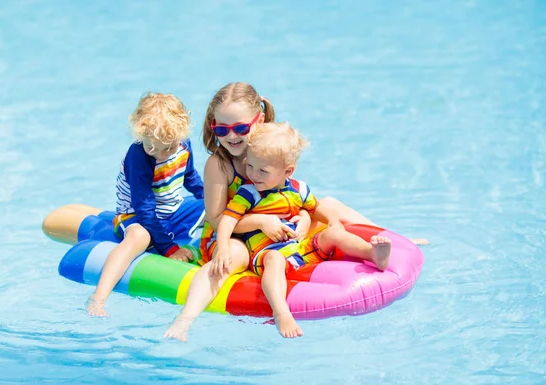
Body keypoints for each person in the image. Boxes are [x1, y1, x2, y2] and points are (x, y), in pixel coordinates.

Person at [164, 82, 426, 341]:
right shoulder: (220, 165)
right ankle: (185, 320)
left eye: (241, 128)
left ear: (261, 119)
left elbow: (291, 194)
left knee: (330, 204)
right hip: (234, 234)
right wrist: (261, 221)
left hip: (275, 231)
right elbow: (215, 217)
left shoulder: (270, 149)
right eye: (221, 129)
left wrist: (303, 216)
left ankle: (392, 238)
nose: (231, 136)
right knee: (230, 256)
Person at [211, 122, 392, 338]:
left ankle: (372, 254)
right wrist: (222, 248)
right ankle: (281, 312)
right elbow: (228, 221)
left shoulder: (299, 189)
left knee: (334, 234)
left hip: (300, 248)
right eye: (250, 166)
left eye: (262, 170)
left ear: (288, 171)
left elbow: (316, 209)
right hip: (267, 253)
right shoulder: (248, 193)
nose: (253, 174)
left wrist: (333, 222)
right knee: (275, 260)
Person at [87, 93, 205, 317]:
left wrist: (210, 200)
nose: (160, 155)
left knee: (219, 208)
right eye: (153, 148)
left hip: (172, 211)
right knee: (140, 237)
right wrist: (170, 250)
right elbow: (144, 209)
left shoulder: (183, 145)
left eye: (168, 148)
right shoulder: (138, 156)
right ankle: (98, 297)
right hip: (136, 216)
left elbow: (190, 177)